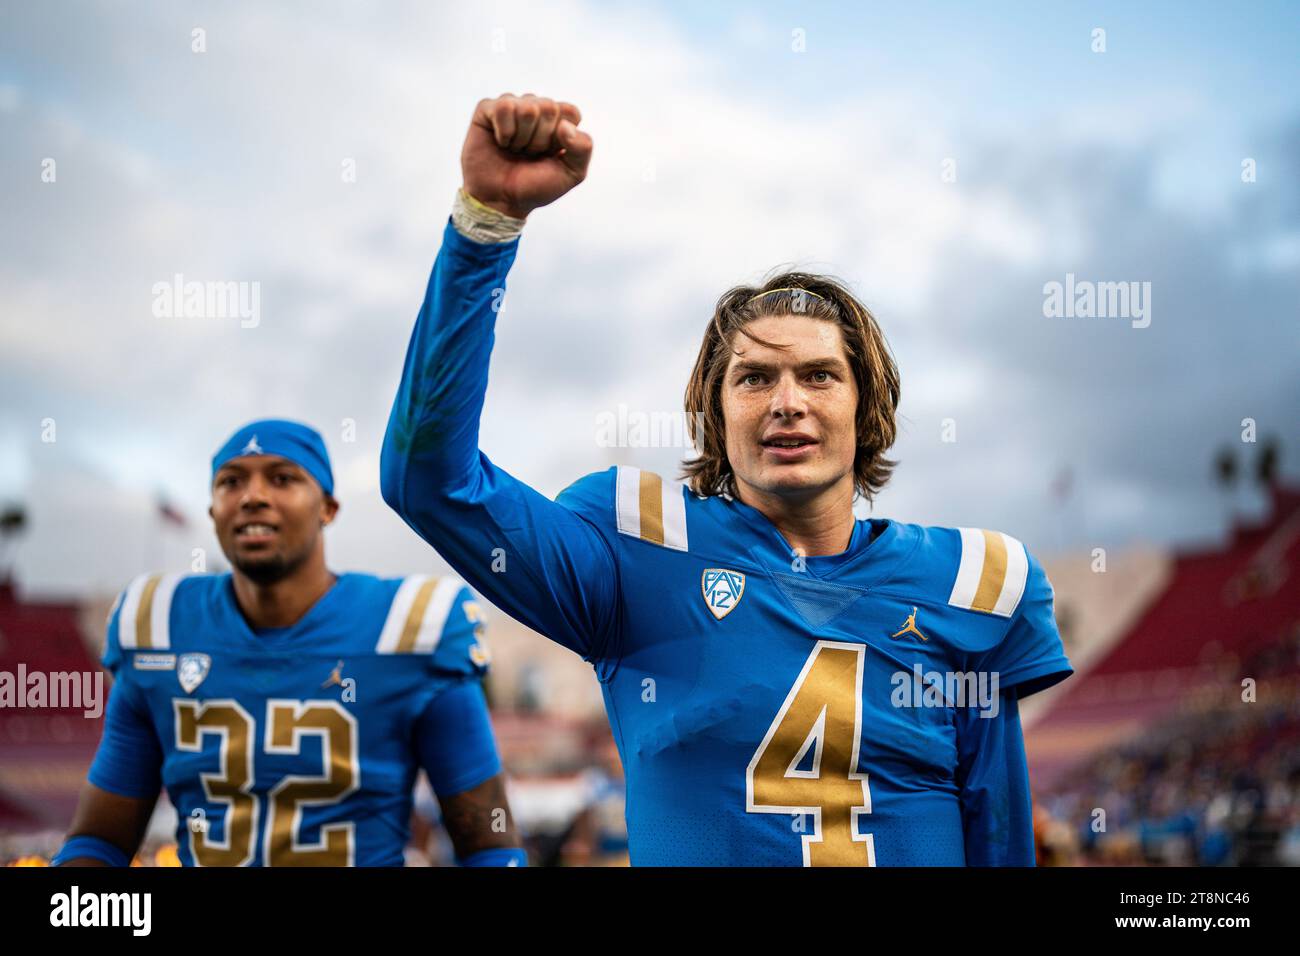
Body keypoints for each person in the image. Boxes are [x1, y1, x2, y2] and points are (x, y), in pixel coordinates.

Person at [381, 94, 1073, 865]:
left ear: (866, 406)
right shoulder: (635, 555)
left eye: (818, 375)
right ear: (715, 414)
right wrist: (487, 225)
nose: (786, 402)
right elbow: (428, 480)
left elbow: (998, 838)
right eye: (752, 379)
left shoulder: (969, 588)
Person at [56, 419, 524, 866]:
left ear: (328, 508)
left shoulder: (413, 627)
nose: (253, 496)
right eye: (231, 482)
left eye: (282, 478)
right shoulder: (156, 624)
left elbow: (489, 846)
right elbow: (101, 840)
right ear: (213, 511)